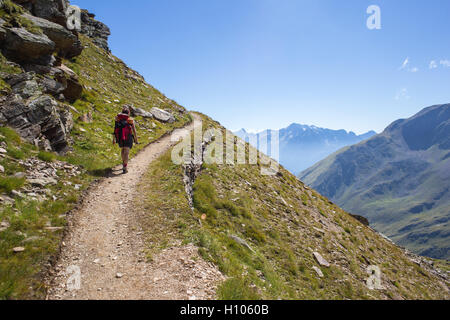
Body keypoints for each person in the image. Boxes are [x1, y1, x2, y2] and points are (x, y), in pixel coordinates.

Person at [113, 107, 138, 174]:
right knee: (126, 151)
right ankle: (125, 166)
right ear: (128, 113)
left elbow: (115, 129)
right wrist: (136, 139)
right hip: (128, 137)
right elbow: (134, 131)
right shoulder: (130, 120)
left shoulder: (118, 119)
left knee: (123, 150)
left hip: (120, 137)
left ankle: (123, 162)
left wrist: (114, 138)